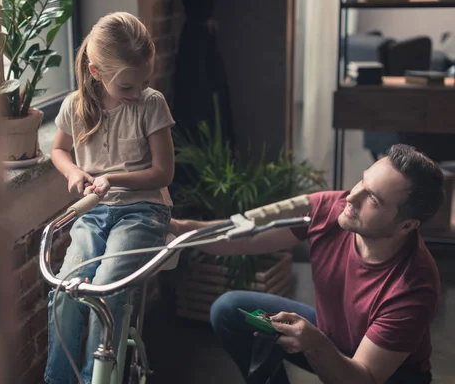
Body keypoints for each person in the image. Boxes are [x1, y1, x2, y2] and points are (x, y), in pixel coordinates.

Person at [170, 144, 443, 384]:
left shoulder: (414, 286)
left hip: (385, 376)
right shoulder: (331, 209)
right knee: (229, 310)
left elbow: (363, 378)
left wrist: (316, 345)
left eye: (372, 199)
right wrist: (180, 229)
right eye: (362, 181)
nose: (351, 197)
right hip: (334, 337)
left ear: (407, 225)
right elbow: (247, 233)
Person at [45, 12, 175, 384]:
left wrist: (111, 177)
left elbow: (163, 174)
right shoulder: (75, 106)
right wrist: (73, 171)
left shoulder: (152, 105)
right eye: (127, 88)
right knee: (68, 288)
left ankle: (95, 380)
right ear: (97, 72)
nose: (137, 94)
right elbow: (58, 151)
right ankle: (58, 379)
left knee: (108, 288)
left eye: (144, 83)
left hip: (143, 211)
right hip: (95, 212)